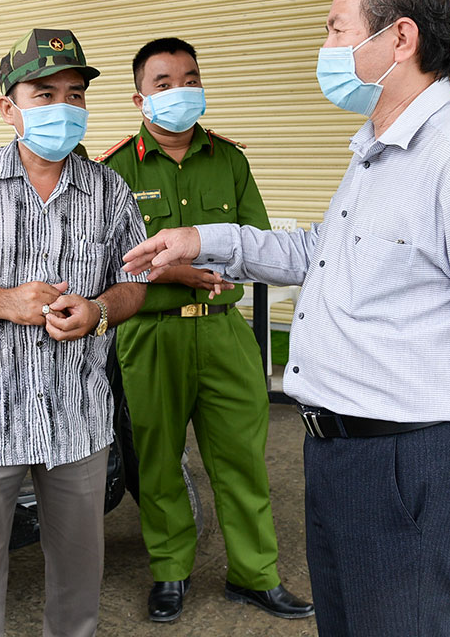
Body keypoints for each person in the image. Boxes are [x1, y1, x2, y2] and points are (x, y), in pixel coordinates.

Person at [122, 0, 450, 637]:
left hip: (406, 461)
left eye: (334, 29)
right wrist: (200, 238)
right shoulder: (376, 150)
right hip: (339, 453)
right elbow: (314, 251)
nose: (324, 49)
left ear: (400, 38)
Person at [0, 28, 148, 637]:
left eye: (74, 94)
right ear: (8, 108)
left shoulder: (108, 190)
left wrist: (100, 312)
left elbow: (135, 284)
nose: (62, 108)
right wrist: (3, 302)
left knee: (77, 575)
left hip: (77, 415)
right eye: (44, 94)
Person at [99, 37, 312, 623]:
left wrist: (198, 270)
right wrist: (182, 273)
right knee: (159, 459)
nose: (180, 91)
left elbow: (262, 248)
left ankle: (255, 574)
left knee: (242, 460)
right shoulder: (111, 170)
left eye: (189, 78)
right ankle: (170, 570)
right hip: (150, 335)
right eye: (164, 83)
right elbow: (109, 264)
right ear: (139, 97)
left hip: (223, 332)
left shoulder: (231, 160)